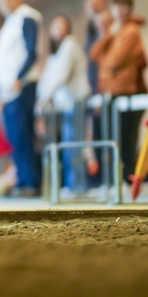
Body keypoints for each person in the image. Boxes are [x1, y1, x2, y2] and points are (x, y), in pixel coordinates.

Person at [89, 0, 148, 182]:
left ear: (129, 9)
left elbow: (115, 60)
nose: (120, 10)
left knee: (126, 139)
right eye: (117, 6)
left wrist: (103, 62)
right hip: (109, 91)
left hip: (125, 90)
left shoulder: (131, 31)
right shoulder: (114, 31)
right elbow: (93, 52)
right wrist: (108, 35)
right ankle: (114, 179)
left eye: (124, 6)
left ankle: (126, 178)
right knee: (110, 137)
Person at [0, 0, 42, 195]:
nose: (5, 4)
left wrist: (18, 79)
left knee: (23, 135)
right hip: (8, 92)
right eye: (1, 0)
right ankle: (22, 179)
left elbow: (32, 52)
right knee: (14, 137)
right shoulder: (9, 22)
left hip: (21, 88)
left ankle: (31, 182)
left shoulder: (27, 17)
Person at [36, 15, 91, 192]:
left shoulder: (69, 45)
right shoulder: (56, 52)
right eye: (54, 25)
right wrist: (42, 98)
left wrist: (44, 98)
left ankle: (75, 186)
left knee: (73, 146)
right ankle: (71, 184)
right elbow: (47, 79)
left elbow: (60, 76)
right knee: (67, 145)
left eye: (62, 25)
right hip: (65, 106)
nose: (58, 29)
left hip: (75, 102)